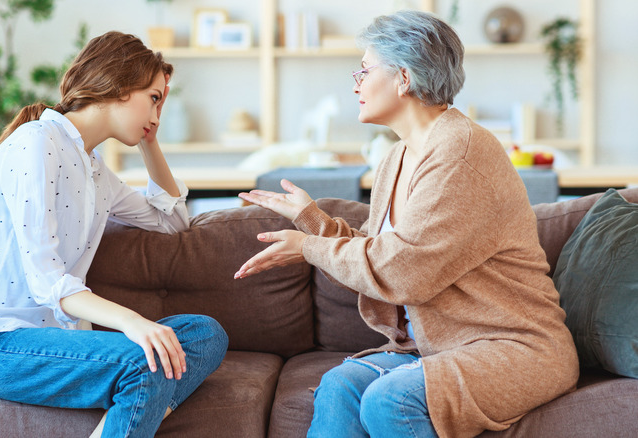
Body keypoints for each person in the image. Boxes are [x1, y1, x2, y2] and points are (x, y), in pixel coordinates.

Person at [234, 10, 578, 438]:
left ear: (403, 77)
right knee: (340, 386)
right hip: (435, 348)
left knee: (390, 399)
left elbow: (403, 271)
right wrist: (310, 220)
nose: (355, 81)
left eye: (364, 69)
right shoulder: (397, 156)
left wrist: (307, 247)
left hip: (515, 346)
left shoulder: (459, 154)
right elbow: (384, 253)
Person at [0, 31, 228, 437]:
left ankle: (134, 411)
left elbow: (172, 222)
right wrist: (132, 322)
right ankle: (142, 399)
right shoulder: (35, 143)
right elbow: (47, 280)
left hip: (56, 340)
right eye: (154, 98)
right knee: (144, 361)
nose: (158, 112)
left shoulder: (94, 168)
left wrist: (149, 141)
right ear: (119, 86)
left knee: (206, 334)